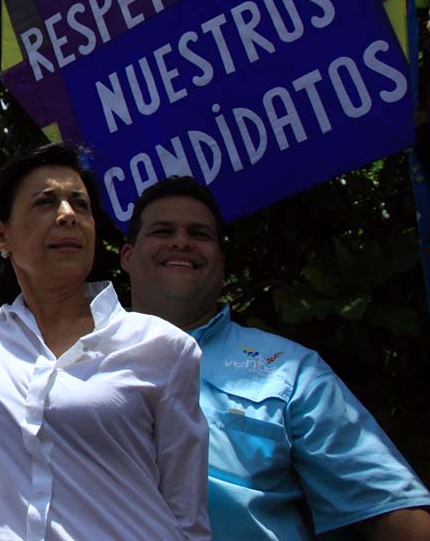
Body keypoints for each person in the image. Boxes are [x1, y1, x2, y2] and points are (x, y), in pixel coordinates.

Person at [0, 142, 210, 540]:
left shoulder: (165, 348)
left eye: (81, 205)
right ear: (0, 235)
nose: (67, 215)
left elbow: (187, 515)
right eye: (45, 203)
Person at [122, 175, 430, 540]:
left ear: (221, 261)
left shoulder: (291, 370)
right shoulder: (70, 358)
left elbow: (386, 506)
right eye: (162, 230)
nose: (181, 241)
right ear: (126, 256)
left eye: (200, 234)